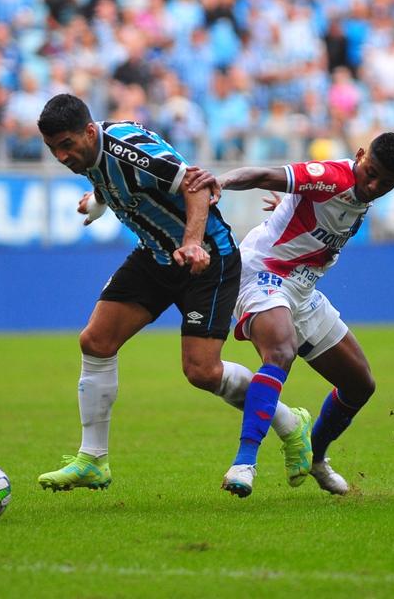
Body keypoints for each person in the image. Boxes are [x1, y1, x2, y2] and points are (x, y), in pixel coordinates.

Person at [35, 93, 312, 492]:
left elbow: (195, 185)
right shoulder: (90, 155)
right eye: (52, 149)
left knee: (201, 371)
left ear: (90, 132)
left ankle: (291, 423)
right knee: (96, 341)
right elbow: (112, 178)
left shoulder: (129, 149)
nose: (61, 156)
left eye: (66, 145)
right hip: (157, 255)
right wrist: (97, 201)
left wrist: (193, 242)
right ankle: (92, 460)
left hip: (208, 257)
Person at [214, 132, 394, 497]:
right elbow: (261, 175)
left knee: (360, 385)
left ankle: (316, 458)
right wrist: (222, 181)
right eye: (370, 172)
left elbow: (313, 215)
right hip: (261, 274)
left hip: (301, 289)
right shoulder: (331, 176)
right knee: (280, 351)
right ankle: (244, 463)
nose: (373, 185)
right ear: (358, 155)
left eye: (386, 183)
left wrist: (289, 206)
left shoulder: (364, 197)